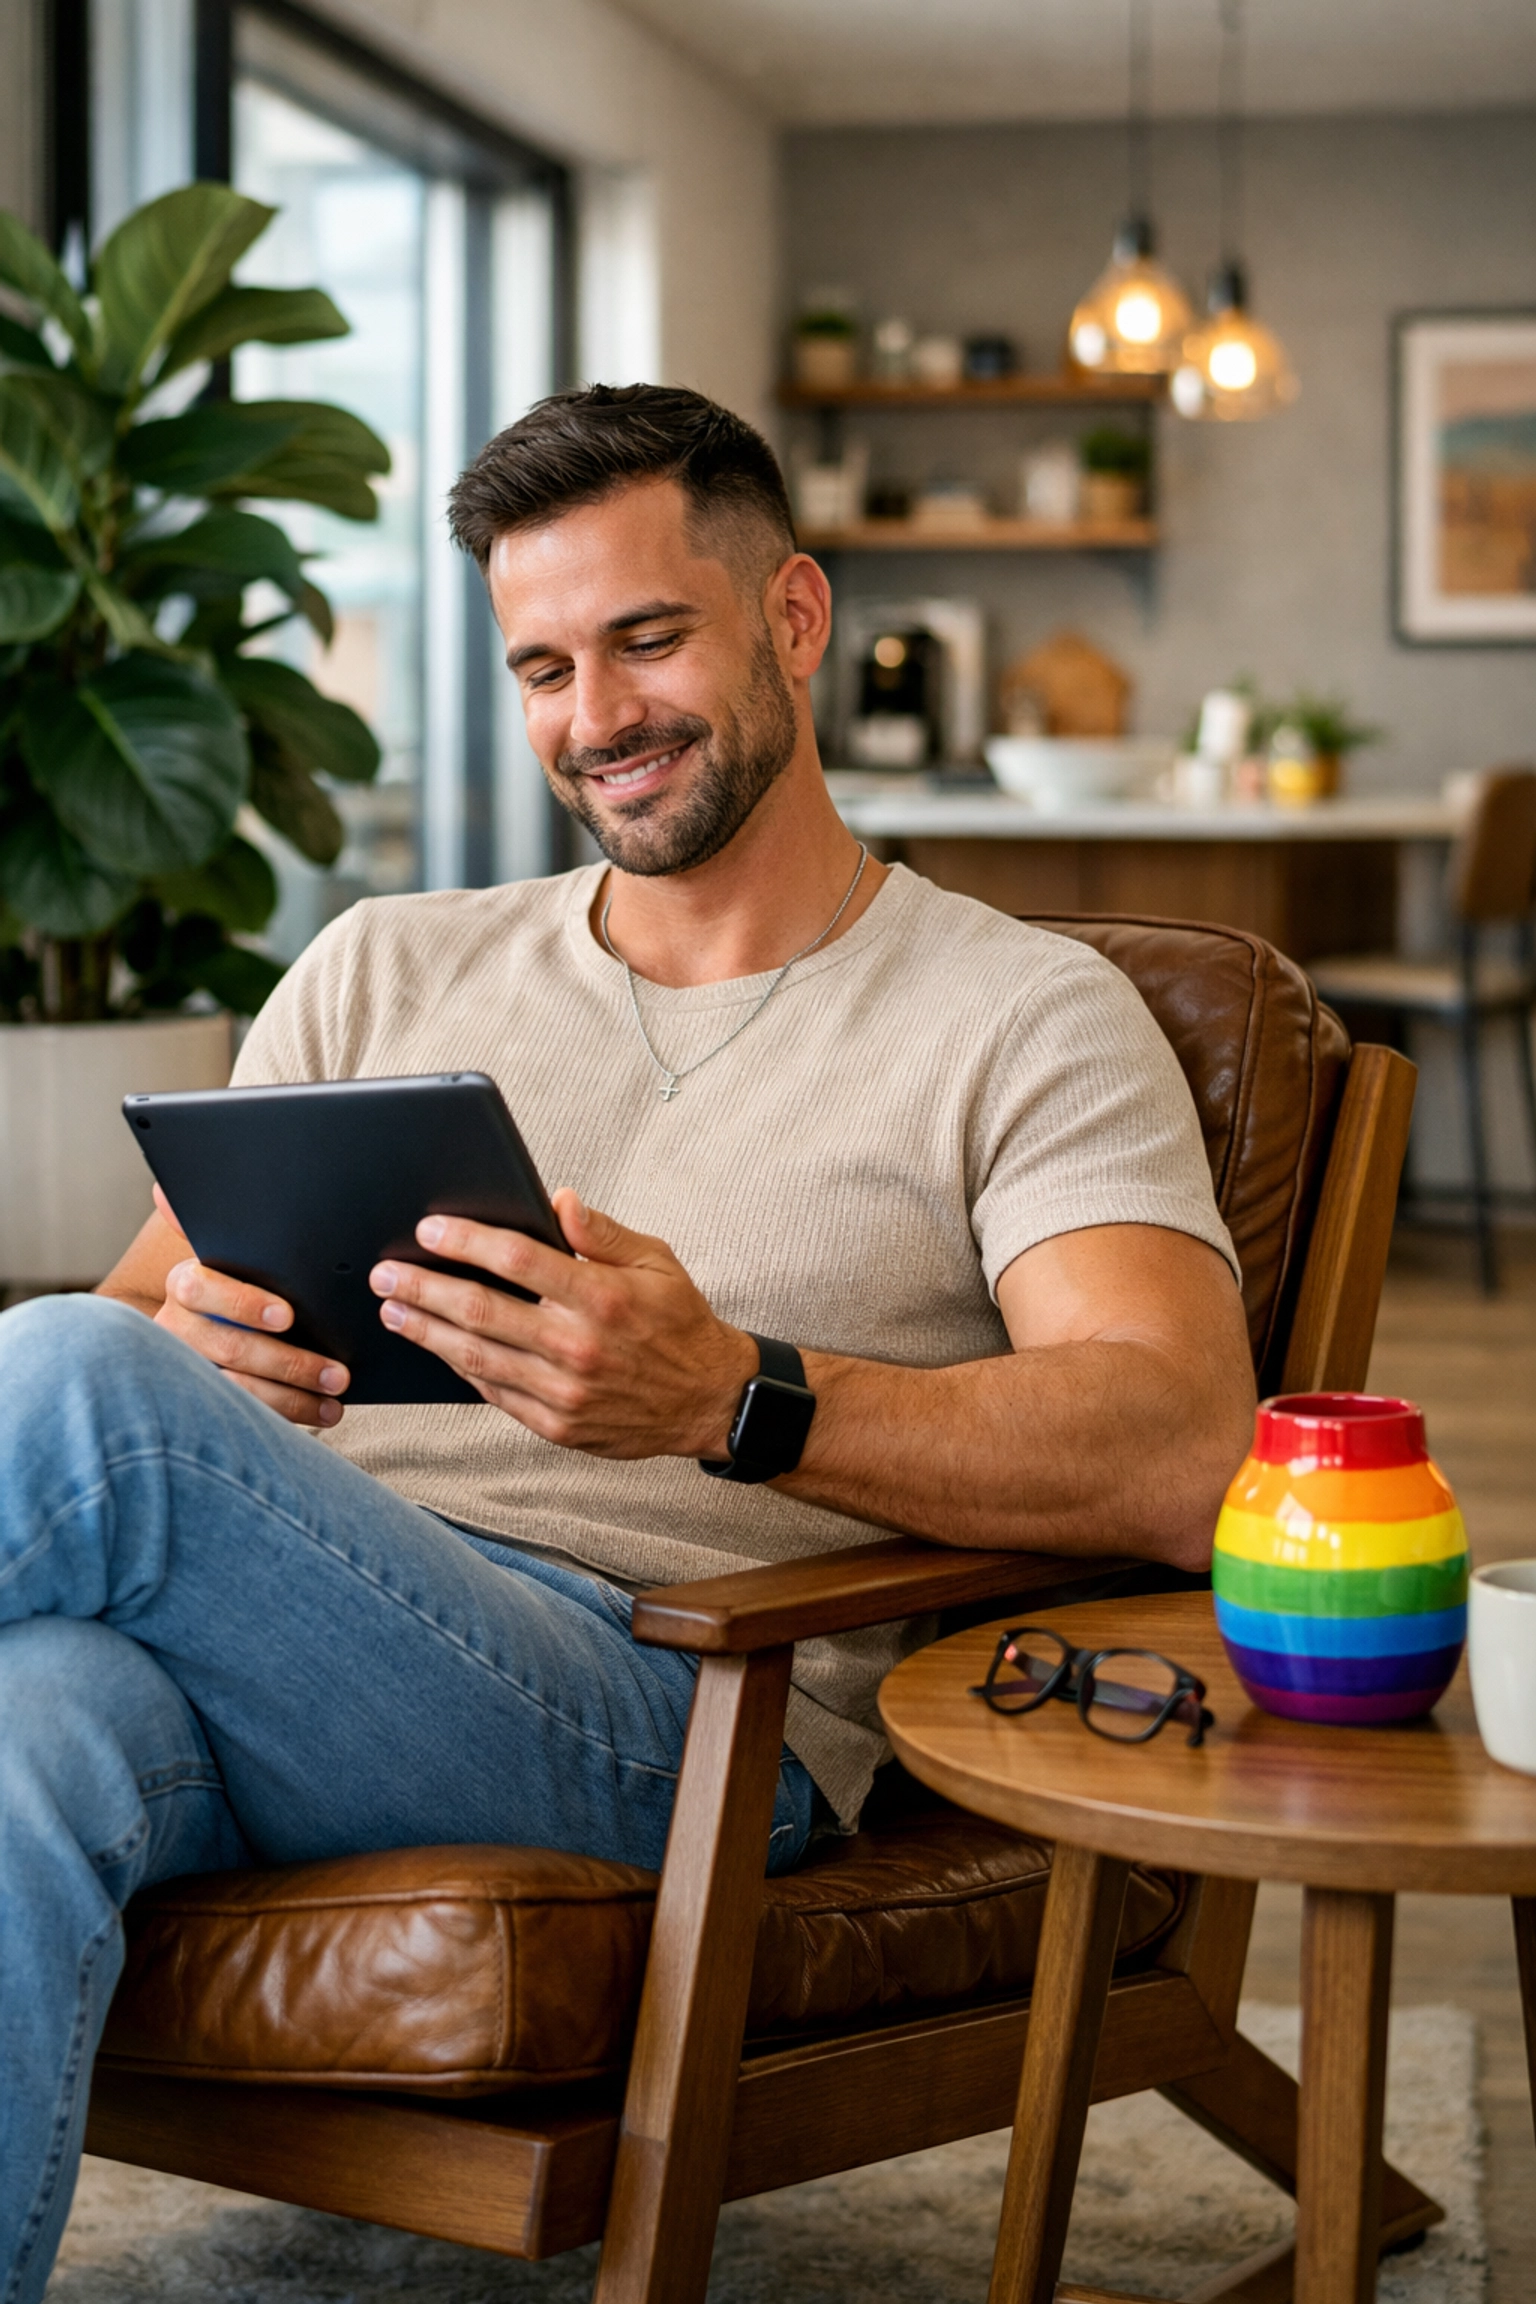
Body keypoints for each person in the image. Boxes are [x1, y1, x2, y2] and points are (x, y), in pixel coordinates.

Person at [0, 385, 1254, 2303]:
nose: (596, 718)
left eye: (648, 639)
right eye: (543, 666)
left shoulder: (1022, 1014)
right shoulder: (384, 965)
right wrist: (217, 1348)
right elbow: (128, 1328)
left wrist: (736, 1397)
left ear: (797, 617)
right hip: (288, 1643)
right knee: (35, 1718)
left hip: (660, 1706)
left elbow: (1180, 1449)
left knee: (87, 1403)